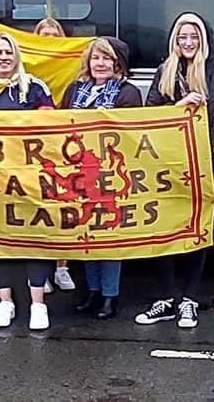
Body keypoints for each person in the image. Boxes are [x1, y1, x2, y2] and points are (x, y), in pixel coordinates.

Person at [134, 12, 214, 329]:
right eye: (183, 37)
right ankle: (166, 298)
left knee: (197, 235)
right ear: (175, 41)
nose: (188, 42)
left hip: (205, 167)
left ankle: (189, 300)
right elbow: (148, 116)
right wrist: (179, 107)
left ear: (203, 40)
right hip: (165, 167)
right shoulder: (163, 72)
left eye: (194, 36)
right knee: (161, 233)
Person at [0, 33, 56, 330]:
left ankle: (38, 304)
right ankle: (5, 301)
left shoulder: (34, 88)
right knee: (0, 239)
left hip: (32, 179)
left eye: (8, 52)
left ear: (17, 56)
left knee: (36, 238)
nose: (3, 58)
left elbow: (51, 127)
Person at [61, 37, 143, 320]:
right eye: (96, 57)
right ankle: (93, 290)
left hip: (110, 175)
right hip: (79, 172)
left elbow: (129, 133)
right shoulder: (75, 89)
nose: (100, 63)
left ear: (118, 63)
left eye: (107, 58)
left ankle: (110, 295)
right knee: (87, 232)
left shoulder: (128, 93)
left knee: (109, 235)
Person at [33, 17, 75, 291]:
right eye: (43, 35)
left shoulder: (72, 64)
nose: (49, 40)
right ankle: (42, 271)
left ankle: (62, 267)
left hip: (66, 141)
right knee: (41, 208)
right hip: (38, 144)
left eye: (54, 35)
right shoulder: (28, 68)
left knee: (65, 206)